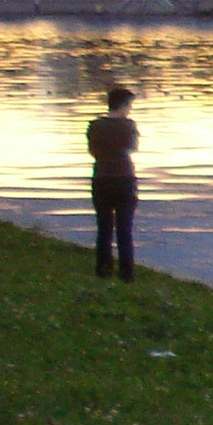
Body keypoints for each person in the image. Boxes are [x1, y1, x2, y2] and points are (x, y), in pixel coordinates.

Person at [86, 86, 139, 280]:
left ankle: (103, 270)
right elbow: (132, 148)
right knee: (125, 229)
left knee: (104, 227)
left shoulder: (95, 126)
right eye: (129, 106)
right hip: (124, 178)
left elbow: (93, 151)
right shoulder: (129, 126)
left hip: (102, 178)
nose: (130, 110)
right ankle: (126, 273)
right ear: (123, 105)